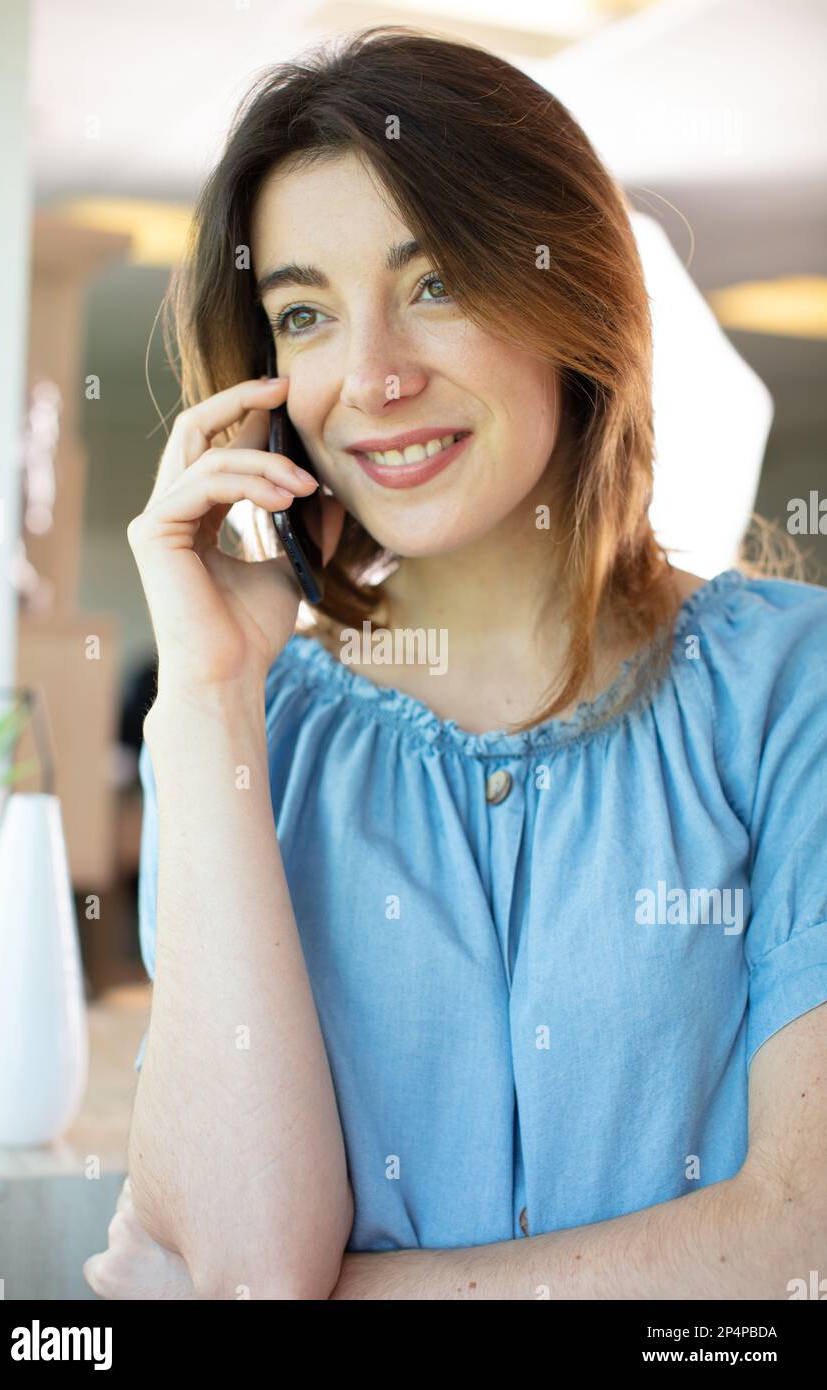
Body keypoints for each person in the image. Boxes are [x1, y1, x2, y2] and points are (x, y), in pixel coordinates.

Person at [84, 27, 827, 1301]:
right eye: (304, 313)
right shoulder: (242, 737)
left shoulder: (787, 687)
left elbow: (798, 1239)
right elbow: (251, 1274)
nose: (371, 376)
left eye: (436, 285)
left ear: (570, 299)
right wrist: (206, 701)